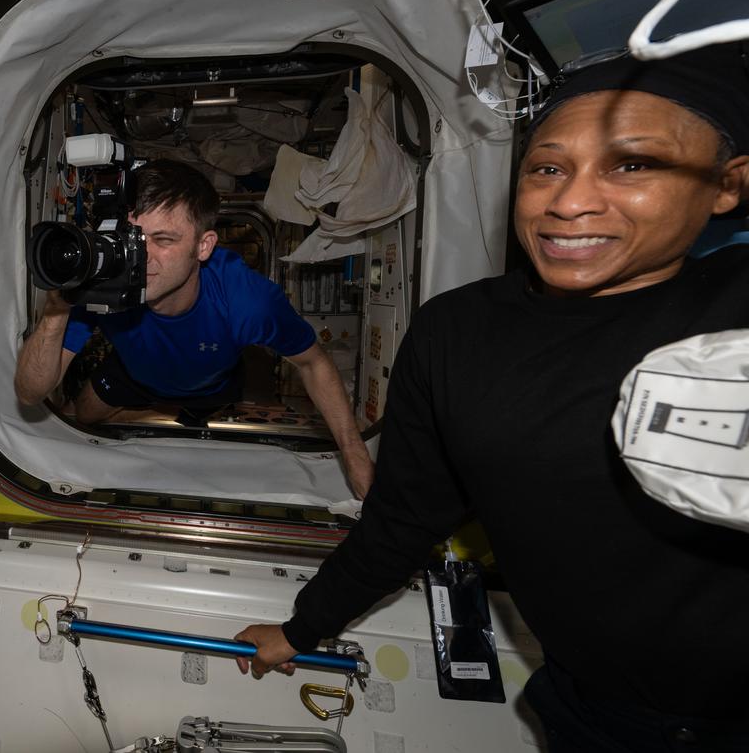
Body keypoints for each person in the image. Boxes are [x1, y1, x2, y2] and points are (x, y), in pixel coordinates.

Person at [231, 44, 749, 751]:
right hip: (598, 716)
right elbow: (400, 522)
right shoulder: (457, 334)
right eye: (547, 168)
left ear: (728, 185)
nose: (569, 201)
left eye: (632, 164)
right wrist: (300, 628)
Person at [14, 159, 375, 498]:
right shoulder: (105, 282)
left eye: (163, 240)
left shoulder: (247, 302)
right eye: (133, 237)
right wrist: (57, 308)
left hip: (212, 384)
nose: (142, 256)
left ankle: (178, 412)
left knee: (203, 421)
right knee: (86, 413)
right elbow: (31, 394)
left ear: (203, 246)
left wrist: (353, 451)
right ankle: (162, 412)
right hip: (134, 370)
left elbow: (314, 363)